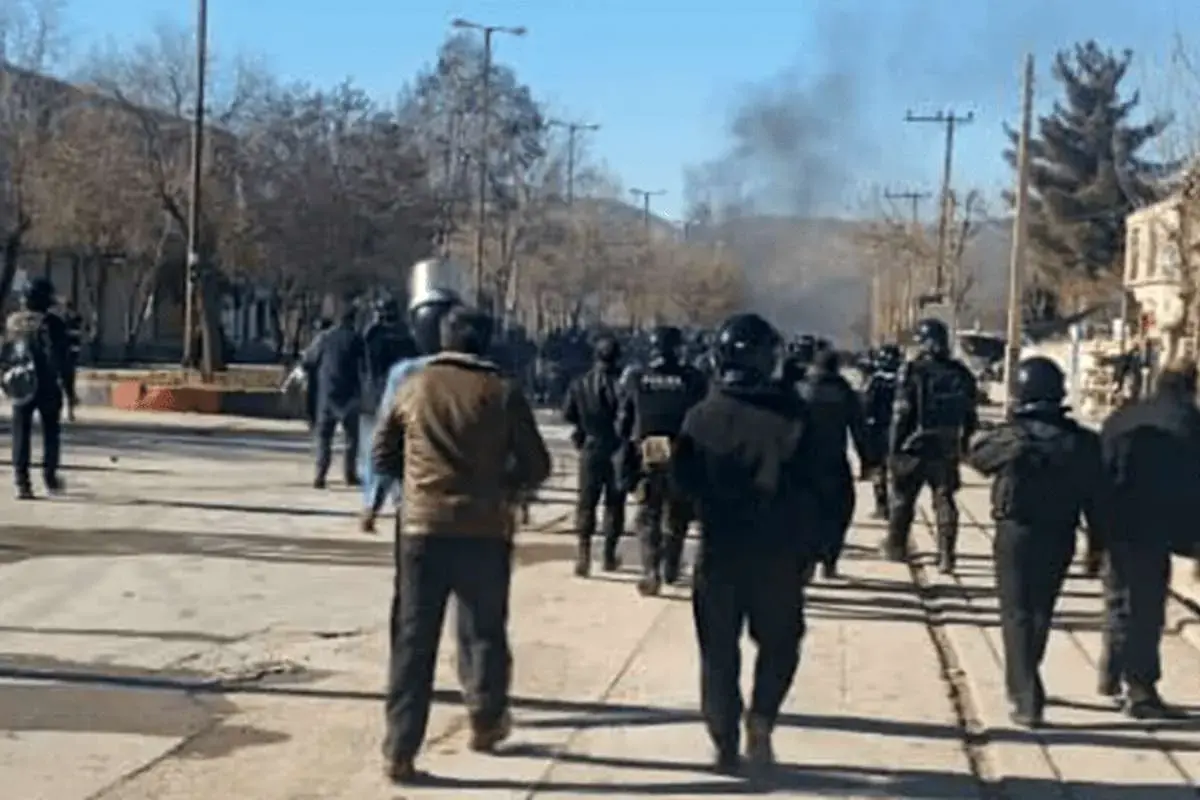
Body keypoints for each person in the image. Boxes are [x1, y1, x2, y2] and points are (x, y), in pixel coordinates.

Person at [372, 304, 551, 783]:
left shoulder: (414, 385)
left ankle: (400, 748)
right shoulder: (503, 390)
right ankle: (486, 720)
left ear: (441, 337)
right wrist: (505, 485)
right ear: (487, 342)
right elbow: (537, 464)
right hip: (486, 529)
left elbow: (382, 454)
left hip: (421, 529)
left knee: (413, 639)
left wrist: (412, 486)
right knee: (484, 629)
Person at [670, 312, 832, 773]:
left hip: (719, 552)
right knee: (781, 643)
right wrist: (819, 546)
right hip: (779, 554)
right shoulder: (794, 416)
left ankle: (724, 741)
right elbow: (824, 485)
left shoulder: (700, 417)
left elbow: (681, 487)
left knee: (718, 653)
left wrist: (672, 537)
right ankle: (761, 717)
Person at [967, 356, 1109, 728]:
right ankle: (1027, 680)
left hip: (1016, 533)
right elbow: (1097, 500)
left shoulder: (1013, 435)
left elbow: (977, 459)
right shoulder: (1084, 442)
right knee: (1040, 612)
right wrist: (1096, 546)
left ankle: (1026, 697)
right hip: (1060, 535)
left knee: (1016, 613)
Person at [1097, 356, 1200, 719]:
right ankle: (1140, 690)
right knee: (1144, 610)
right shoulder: (1190, 422)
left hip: (1116, 524)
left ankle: (1111, 675)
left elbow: (1100, 470)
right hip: (1154, 528)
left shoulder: (1123, 417)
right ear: (1191, 385)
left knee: (1117, 600)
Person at [880, 318, 978, 573]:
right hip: (946, 446)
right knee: (944, 500)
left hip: (915, 445)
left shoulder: (913, 371)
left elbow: (901, 414)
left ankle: (896, 547)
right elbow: (971, 414)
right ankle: (947, 555)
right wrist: (964, 444)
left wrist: (893, 450)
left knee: (903, 498)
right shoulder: (961, 373)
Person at [616, 324, 708, 595]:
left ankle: (650, 569)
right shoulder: (693, 379)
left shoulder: (636, 377)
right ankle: (670, 567)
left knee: (648, 514)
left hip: (648, 451)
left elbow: (624, 420)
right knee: (677, 513)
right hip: (682, 450)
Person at [798, 346, 868, 579]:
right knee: (839, 511)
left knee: (806, 513)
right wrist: (868, 459)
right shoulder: (843, 391)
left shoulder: (801, 389)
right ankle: (830, 559)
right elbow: (858, 427)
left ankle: (807, 560)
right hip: (834, 460)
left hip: (804, 462)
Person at [562, 333, 626, 576]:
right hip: (617, 447)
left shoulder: (580, 383)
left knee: (587, 502)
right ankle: (608, 555)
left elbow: (568, 413)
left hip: (590, 445)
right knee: (614, 503)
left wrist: (583, 426)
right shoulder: (624, 383)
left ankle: (583, 554)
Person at [3, 278, 71, 500]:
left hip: (20, 385)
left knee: (20, 434)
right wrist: (69, 390)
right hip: (47, 385)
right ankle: (49, 477)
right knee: (51, 433)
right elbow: (64, 359)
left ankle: (22, 482)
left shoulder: (13, 322)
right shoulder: (53, 323)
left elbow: (5, 354)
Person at [359, 297, 418, 531]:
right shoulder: (408, 335)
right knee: (400, 453)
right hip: (404, 399)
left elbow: (366, 365)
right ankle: (399, 502)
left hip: (377, 398)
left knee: (377, 454)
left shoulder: (373, 334)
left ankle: (371, 505)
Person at [303, 308, 364, 488]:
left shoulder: (324, 338)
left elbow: (308, 360)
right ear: (352, 321)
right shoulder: (356, 339)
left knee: (324, 437)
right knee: (351, 438)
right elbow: (364, 367)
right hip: (350, 396)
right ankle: (350, 474)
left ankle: (320, 475)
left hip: (327, 394)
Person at [861, 344, 902, 519]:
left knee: (879, 469)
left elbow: (867, 405)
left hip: (879, 429)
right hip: (900, 430)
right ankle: (898, 506)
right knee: (899, 472)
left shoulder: (875, 381)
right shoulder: (904, 379)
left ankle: (882, 505)